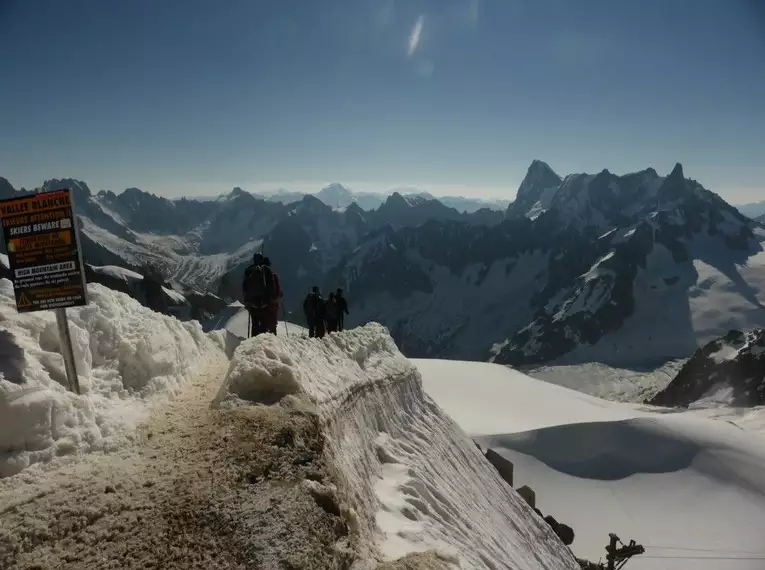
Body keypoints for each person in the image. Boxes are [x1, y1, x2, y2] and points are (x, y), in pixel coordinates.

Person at [242, 252, 276, 338]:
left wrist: (247, 300)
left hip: (252, 303)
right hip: (264, 302)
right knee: (264, 324)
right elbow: (271, 286)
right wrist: (270, 299)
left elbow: (244, 287)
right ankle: (262, 344)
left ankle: (253, 342)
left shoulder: (248, 270)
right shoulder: (267, 269)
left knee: (255, 324)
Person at [263, 256, 282, 335]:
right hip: (272, 303)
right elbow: (278, 290)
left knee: (262, 322)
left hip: (260, 302)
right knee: (272, 323)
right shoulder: (273, 275)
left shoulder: (256, 274)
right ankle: (273, 337)